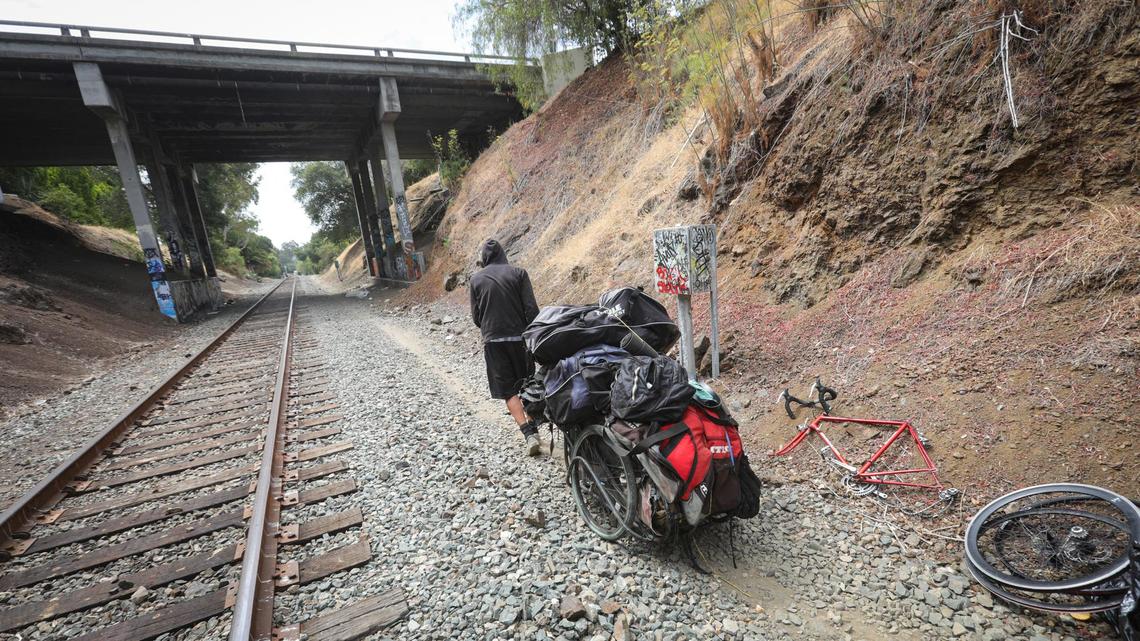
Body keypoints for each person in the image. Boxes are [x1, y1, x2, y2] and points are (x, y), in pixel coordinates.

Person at [469, 239, 542, 455]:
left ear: (484, 257)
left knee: (508, 390)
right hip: (520, 339)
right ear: (503, 254)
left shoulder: (476, 279)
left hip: (494, 341)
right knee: (527, 384)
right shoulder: (519, 273)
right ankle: (535, 428)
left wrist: (491, 328)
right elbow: (531, 309)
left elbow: (476, 317)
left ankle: (528, 434)